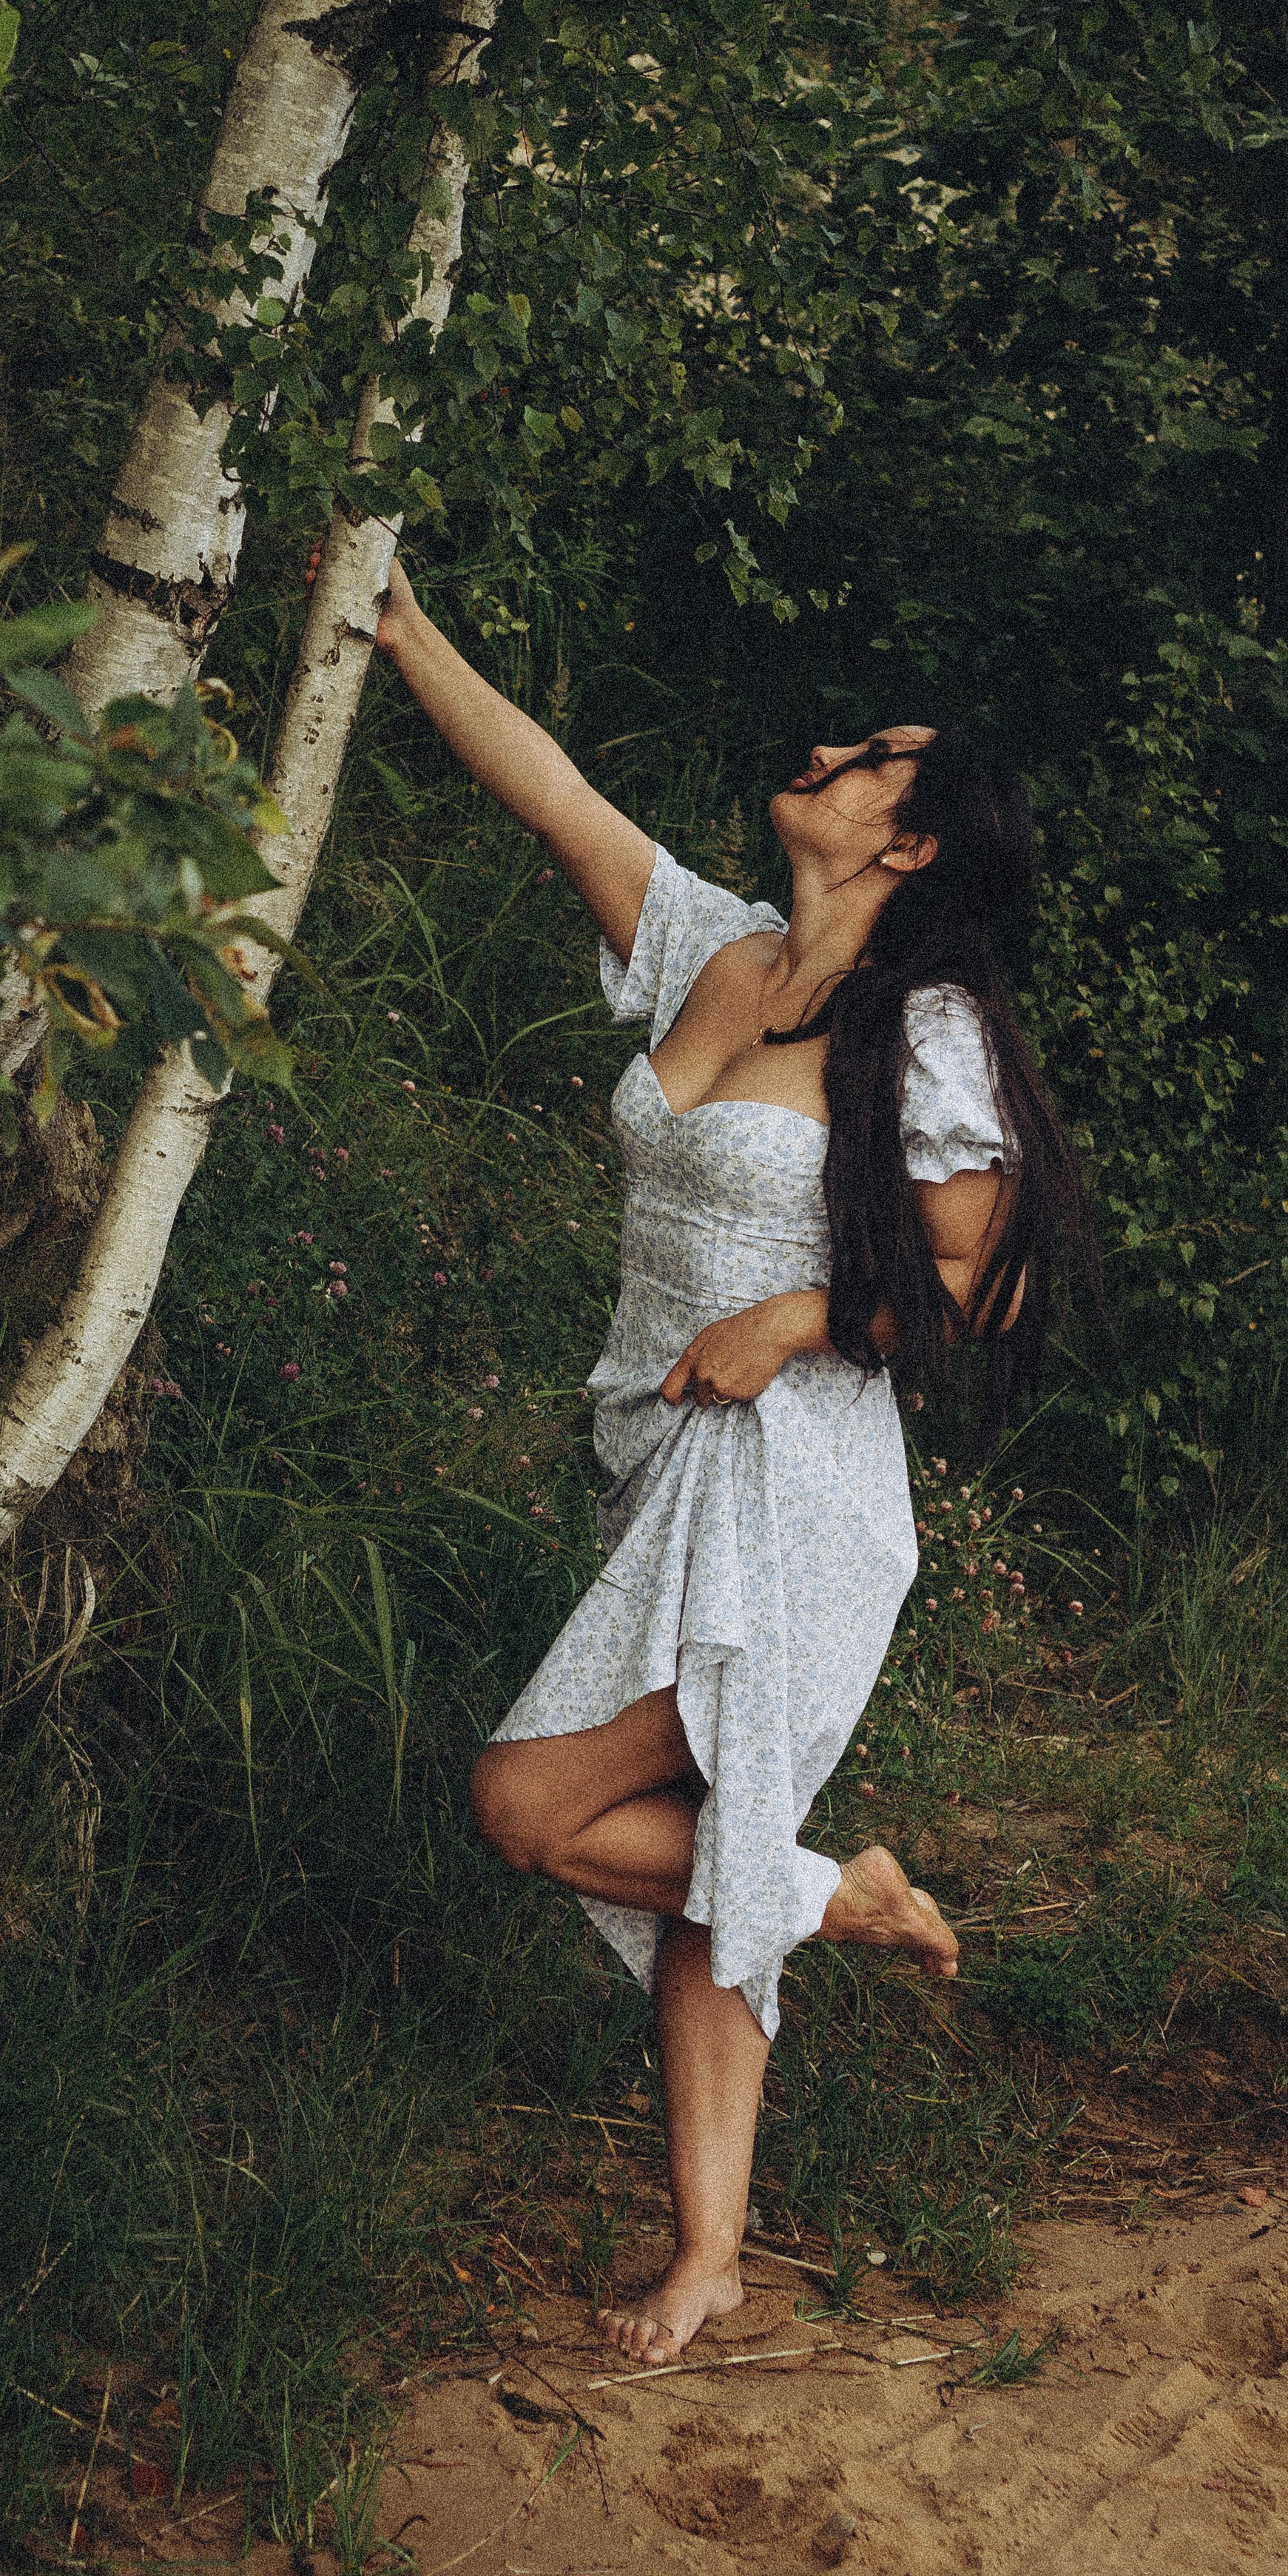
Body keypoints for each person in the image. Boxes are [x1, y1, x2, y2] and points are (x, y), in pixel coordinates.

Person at [361, 554, 1089, 2370]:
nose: (831, 750)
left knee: (527, 1808)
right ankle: (709, 2254)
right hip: (657, 1454)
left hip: (791, 1482)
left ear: (909, 846)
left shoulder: (912, 1032)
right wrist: (393, 621)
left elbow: (976, 1286)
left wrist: (792, 1324)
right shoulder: (713, 950)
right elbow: (549, 791)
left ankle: (830, 1893)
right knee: (704, 1860)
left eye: (873, 760)